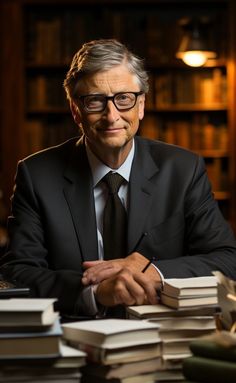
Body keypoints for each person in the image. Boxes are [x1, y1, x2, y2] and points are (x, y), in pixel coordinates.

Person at [0, 38, 236, 318]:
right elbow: (17, 273)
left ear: (142, 105)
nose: (112, 116)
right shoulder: (37, 175)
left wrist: (151, 270)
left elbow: (227, 259)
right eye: (95, 101)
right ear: (76, 110)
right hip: (76, 335)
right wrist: (94, 292)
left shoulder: (183, 170)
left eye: (123, 99)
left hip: (165, 331)